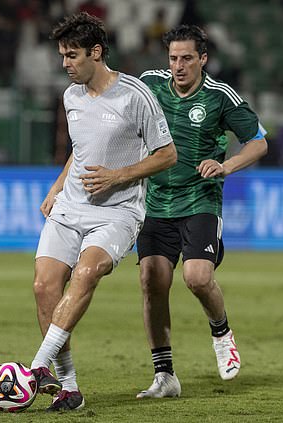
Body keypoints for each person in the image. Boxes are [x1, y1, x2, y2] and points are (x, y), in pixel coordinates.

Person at [29, 12, 177, 412]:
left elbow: (168, 154)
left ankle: (38, 364)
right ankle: (69, 389)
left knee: (88, 271)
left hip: (118, 212)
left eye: (72, 55)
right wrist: (58, 186)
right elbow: (80, 149)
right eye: (62, 55)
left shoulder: (135, 95)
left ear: (96, 53)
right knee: (45, 287)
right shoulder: (70, 95)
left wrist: (118, 176)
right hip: (70, 206)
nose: (65, 64)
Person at [135, 25, 268, 399]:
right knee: (152, 281)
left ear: (203, 59)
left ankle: (222, 333)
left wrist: (227, 166)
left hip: (200, 199)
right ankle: (165, 376)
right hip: (156, 200)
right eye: (173, 58)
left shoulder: (220, 95)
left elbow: (258, 143)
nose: (178, 66)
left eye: (187, 59)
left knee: (196, 277)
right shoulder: (150, 84)